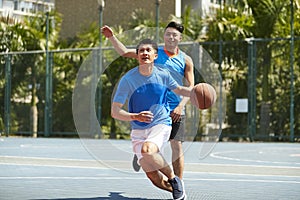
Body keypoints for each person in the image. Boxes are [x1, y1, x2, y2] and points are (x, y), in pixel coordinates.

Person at [102, 22, 194, 181]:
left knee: (176, 145)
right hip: (153, 107)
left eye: (174, 35)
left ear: (180, 38)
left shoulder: (186, 60)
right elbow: (124, 52)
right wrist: (111, 37)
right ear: (164, 36)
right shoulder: (152, 52)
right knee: (149, 144)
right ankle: (143, 154)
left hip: (175, 108)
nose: (171, 37)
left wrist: (180, 106)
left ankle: (178, 183)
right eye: (168, 34)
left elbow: (190, 87)